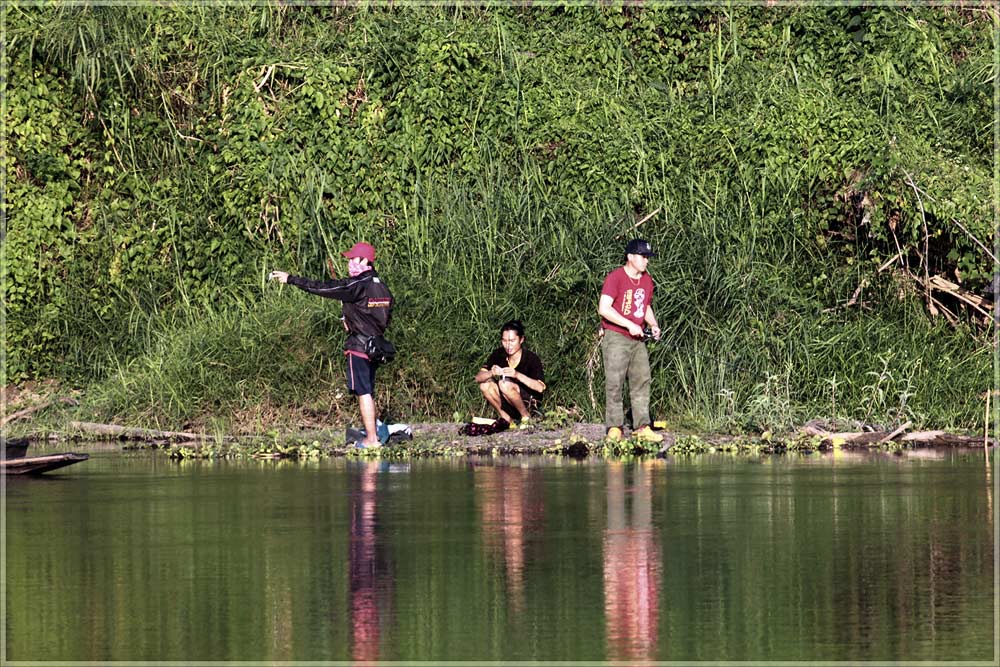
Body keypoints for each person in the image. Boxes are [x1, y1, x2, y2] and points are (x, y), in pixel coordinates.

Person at [269, 242, 393, 448]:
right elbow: (386, 315)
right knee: (369, 390)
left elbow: (325, 288)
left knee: (363, 391)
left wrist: (291, 279)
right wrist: (356, 320)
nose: (349, 264)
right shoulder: (382, 286)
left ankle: (371, 439)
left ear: (365, 261)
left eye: (353, 259)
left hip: (360, 346)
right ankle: (373, 433)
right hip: (376, 346)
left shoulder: (357, 285)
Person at [597, 239, 663, 443]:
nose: (646, 261)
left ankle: (642, 426)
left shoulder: (647, 280)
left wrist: (653, 324)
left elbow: (645, 306)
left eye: (647, 258)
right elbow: (604, 309)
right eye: (643, 257)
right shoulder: (615, 278)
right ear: (630, 257)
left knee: (642, 379)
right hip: (616, 336)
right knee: (615, 382)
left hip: (638, 338)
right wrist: (628, 325)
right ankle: (615, 427)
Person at [474, 320, 545, 428]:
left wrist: (517, 375)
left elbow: (540, 388)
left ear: (521, 340)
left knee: (504, 383)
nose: (508, 345)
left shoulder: (531, 358)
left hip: (528, 403)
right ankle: (507, 419)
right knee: (485, 385)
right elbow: (478, 378)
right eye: (504, 340)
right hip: (507, 401)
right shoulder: (498, 354)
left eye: (512, 341)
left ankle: (526, 417)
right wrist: (491, 373)